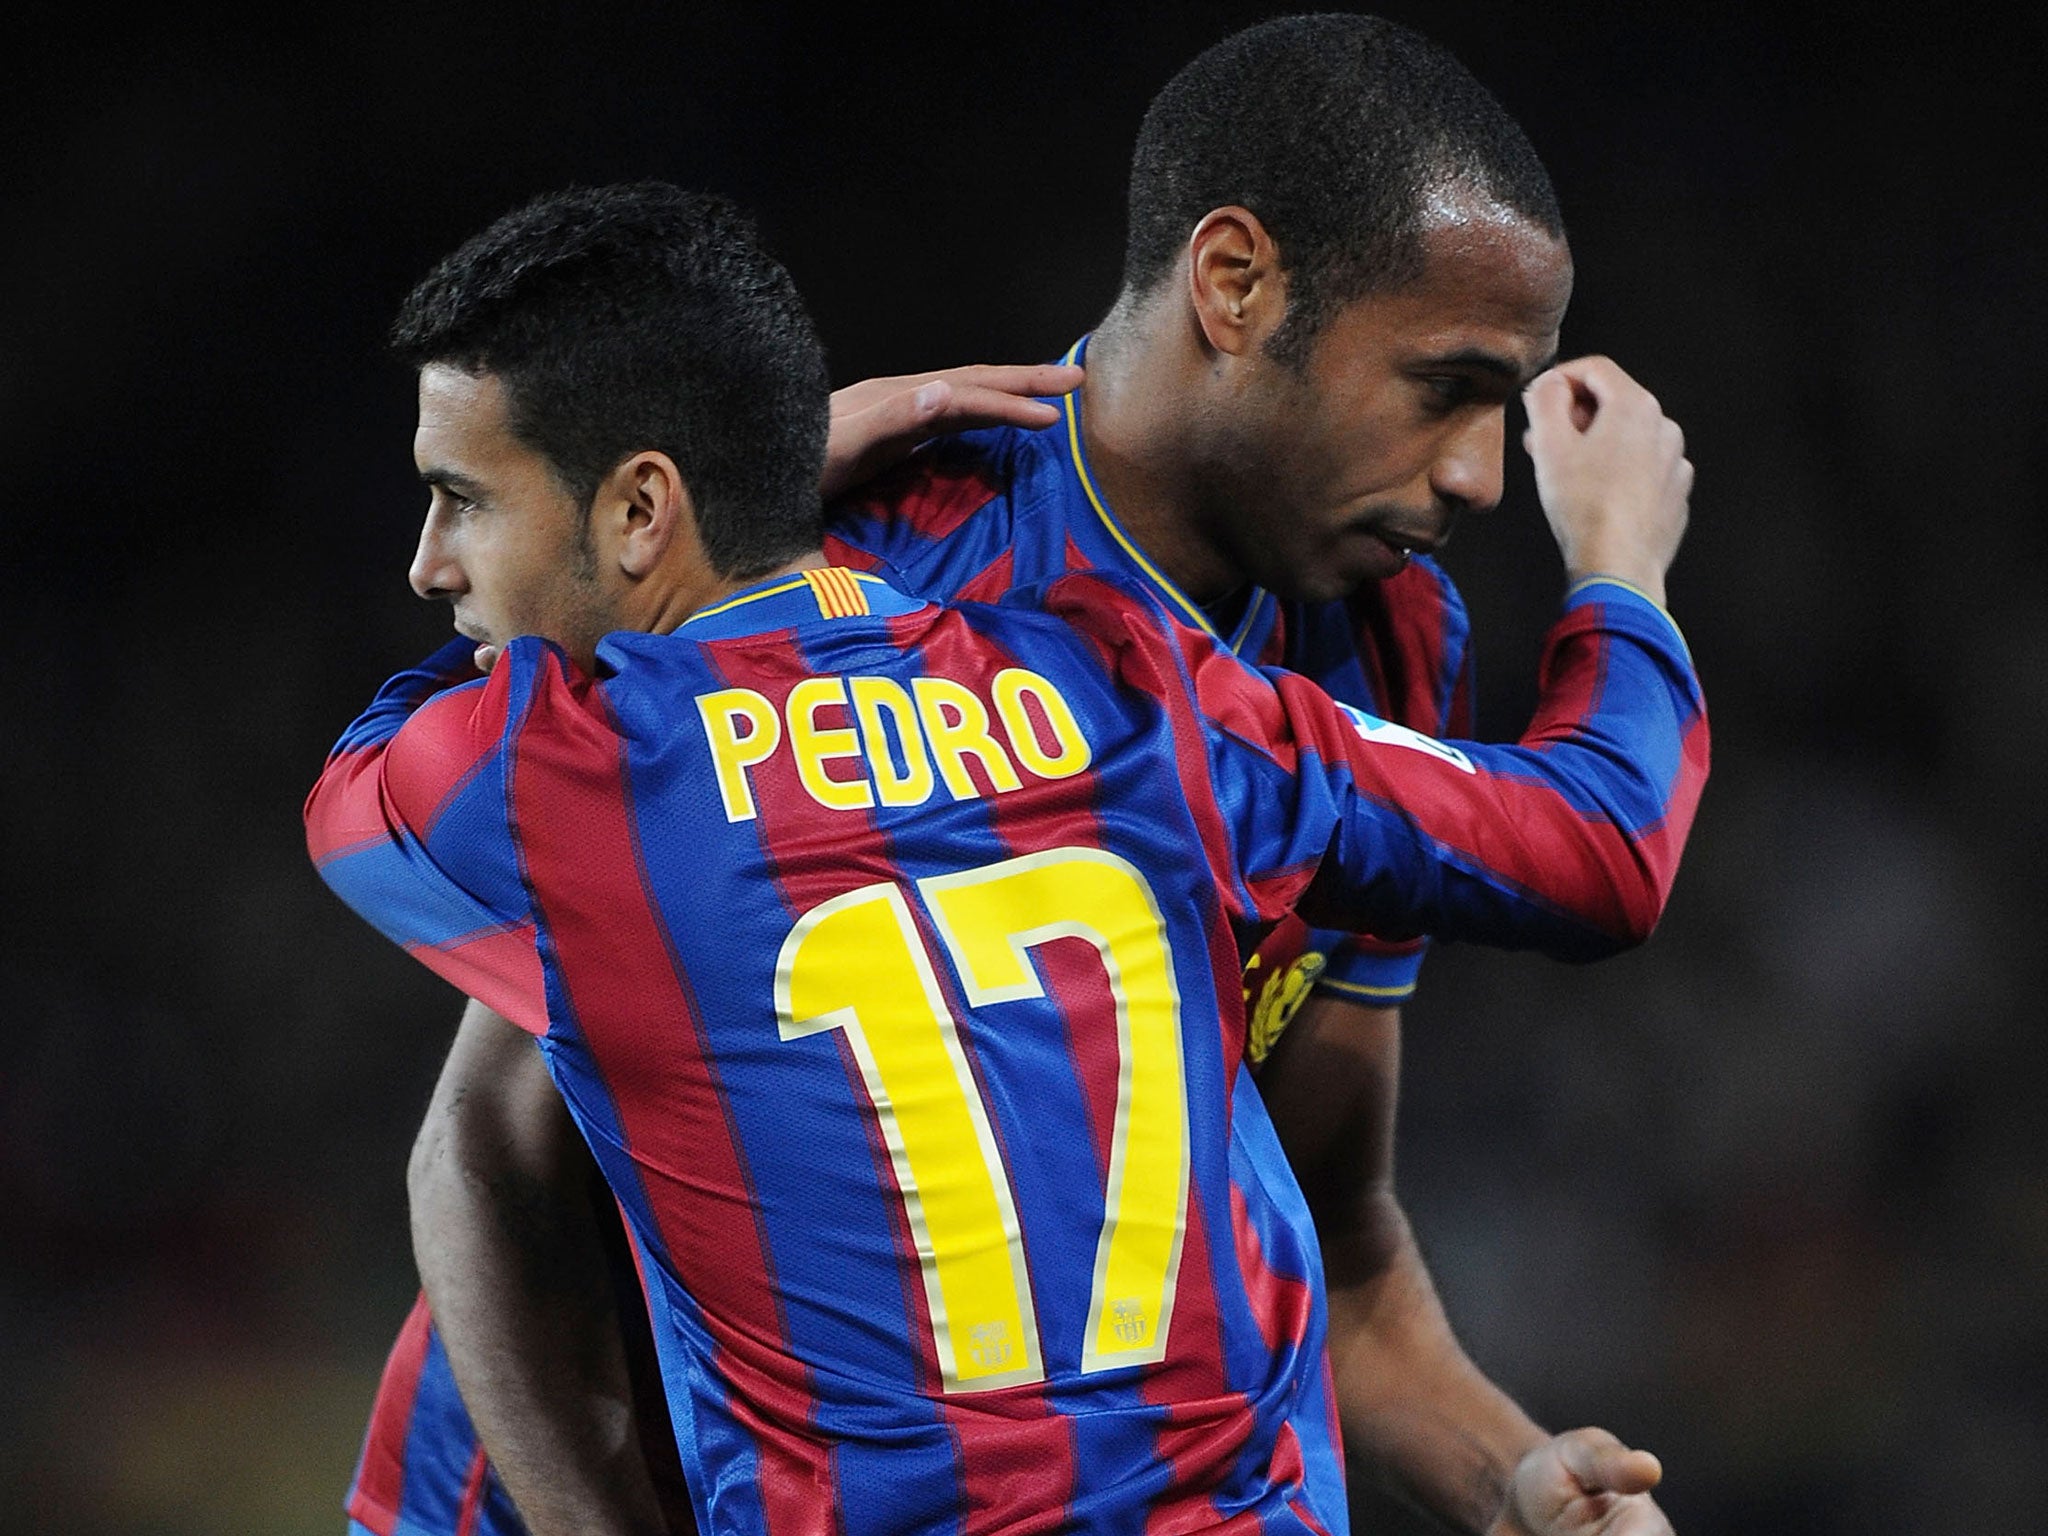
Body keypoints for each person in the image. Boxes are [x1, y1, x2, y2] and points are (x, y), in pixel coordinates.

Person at [361, 13, 1701, 1536]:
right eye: (1439, 387)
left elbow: (1328, 1240)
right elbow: (483, 1160)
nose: (1474, 472)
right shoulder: (853, 579)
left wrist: (1511, 1482)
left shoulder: (1379, 643)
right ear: (1235, 284)